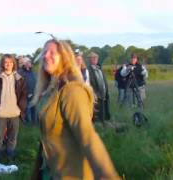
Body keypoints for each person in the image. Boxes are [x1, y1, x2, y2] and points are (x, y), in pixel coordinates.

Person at [31, 39, 119, 179]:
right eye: (45, 52)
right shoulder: (52, 90)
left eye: (52, 52)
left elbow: (87, 136)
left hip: (70, 173)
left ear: (65, 58)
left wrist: (107, 175)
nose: (46, 56)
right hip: (50, 170)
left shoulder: (72, 91)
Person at [0, 54, 27, 161]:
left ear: (13, 63)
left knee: (12, 137)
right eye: (6, 62)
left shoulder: (19, 78)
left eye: (10, 62)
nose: (8, 64)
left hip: (14, 113)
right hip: (1, 113)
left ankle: (10, 154)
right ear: (2, 64)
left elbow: (24, 95)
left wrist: (20, 109)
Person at [87, 52, 111, 124]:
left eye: (96, 58)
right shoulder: (88, 70)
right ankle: (94, 124)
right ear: (89, 60)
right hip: (95, 94)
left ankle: (103, 122)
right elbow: (89, 82)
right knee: (95, 111)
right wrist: (94, 93)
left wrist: (106, 90)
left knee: (103, 109)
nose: (95, 59)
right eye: (93, 58)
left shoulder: (99, 68)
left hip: (103, 92)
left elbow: (103, 80)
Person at [18, 57, 37, 124]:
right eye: (28, 62)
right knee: (25, 109)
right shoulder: (20, 72)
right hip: (25, 94)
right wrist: (25, 92)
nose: (30, 63)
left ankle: (34, 122)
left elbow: (35, 82)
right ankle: (25, 122)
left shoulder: (32, 72)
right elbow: (19, 84)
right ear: (25, 64)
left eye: (30, 62)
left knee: (33, 108)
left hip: (33, 93)